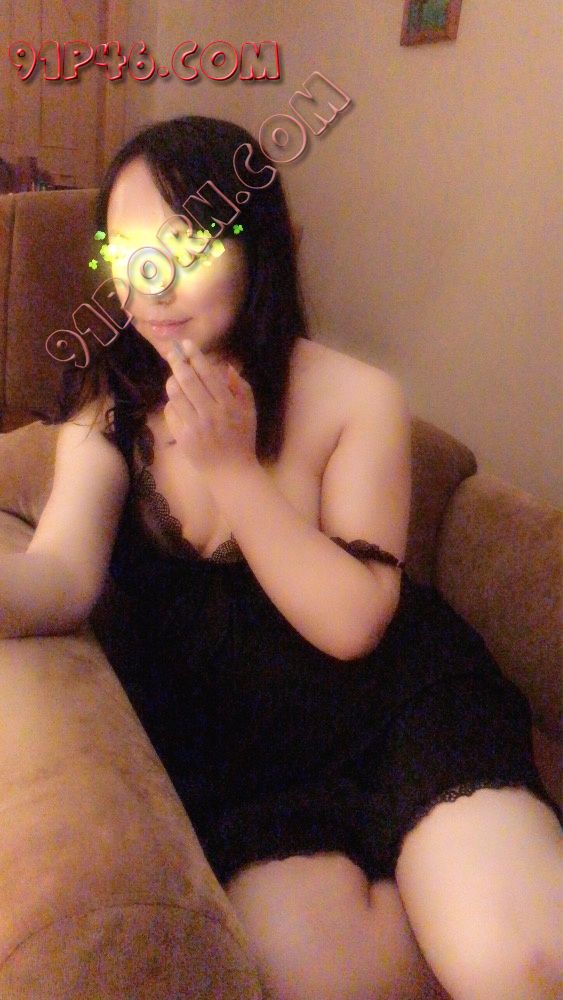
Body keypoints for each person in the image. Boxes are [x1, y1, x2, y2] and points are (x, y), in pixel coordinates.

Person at [23, 116, 562, 999]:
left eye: (186, 245)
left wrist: (232, 470)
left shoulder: (355, 396)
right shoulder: (106, 415)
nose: (150, 281)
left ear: (261, 247)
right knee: (332, 980)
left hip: (399, 707)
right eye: (125, 252)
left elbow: (353, 625)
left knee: (522, 962)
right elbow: (58, 577)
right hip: (245, 758)